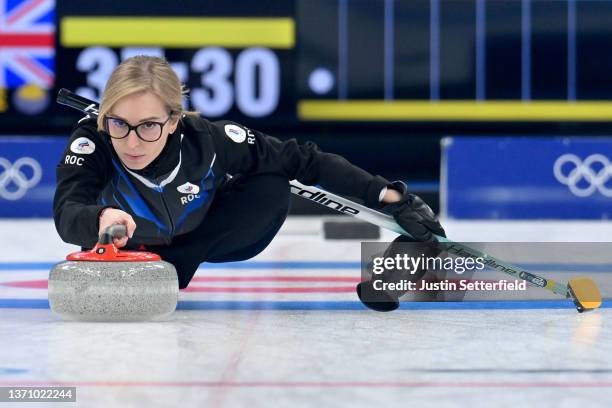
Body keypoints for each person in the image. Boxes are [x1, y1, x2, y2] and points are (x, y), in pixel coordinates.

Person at [53, 55, 445, 310]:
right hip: (123, 245)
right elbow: (68, 210)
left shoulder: (208, 141)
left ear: (174, 121)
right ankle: (150, 263)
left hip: (198, 238)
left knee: (272, 179)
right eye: (119, 123)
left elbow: (302, 159)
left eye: (149, 126)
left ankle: (173, 266)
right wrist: (100, 217)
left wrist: (387, 194)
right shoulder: (93, 141)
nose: (132, 141)